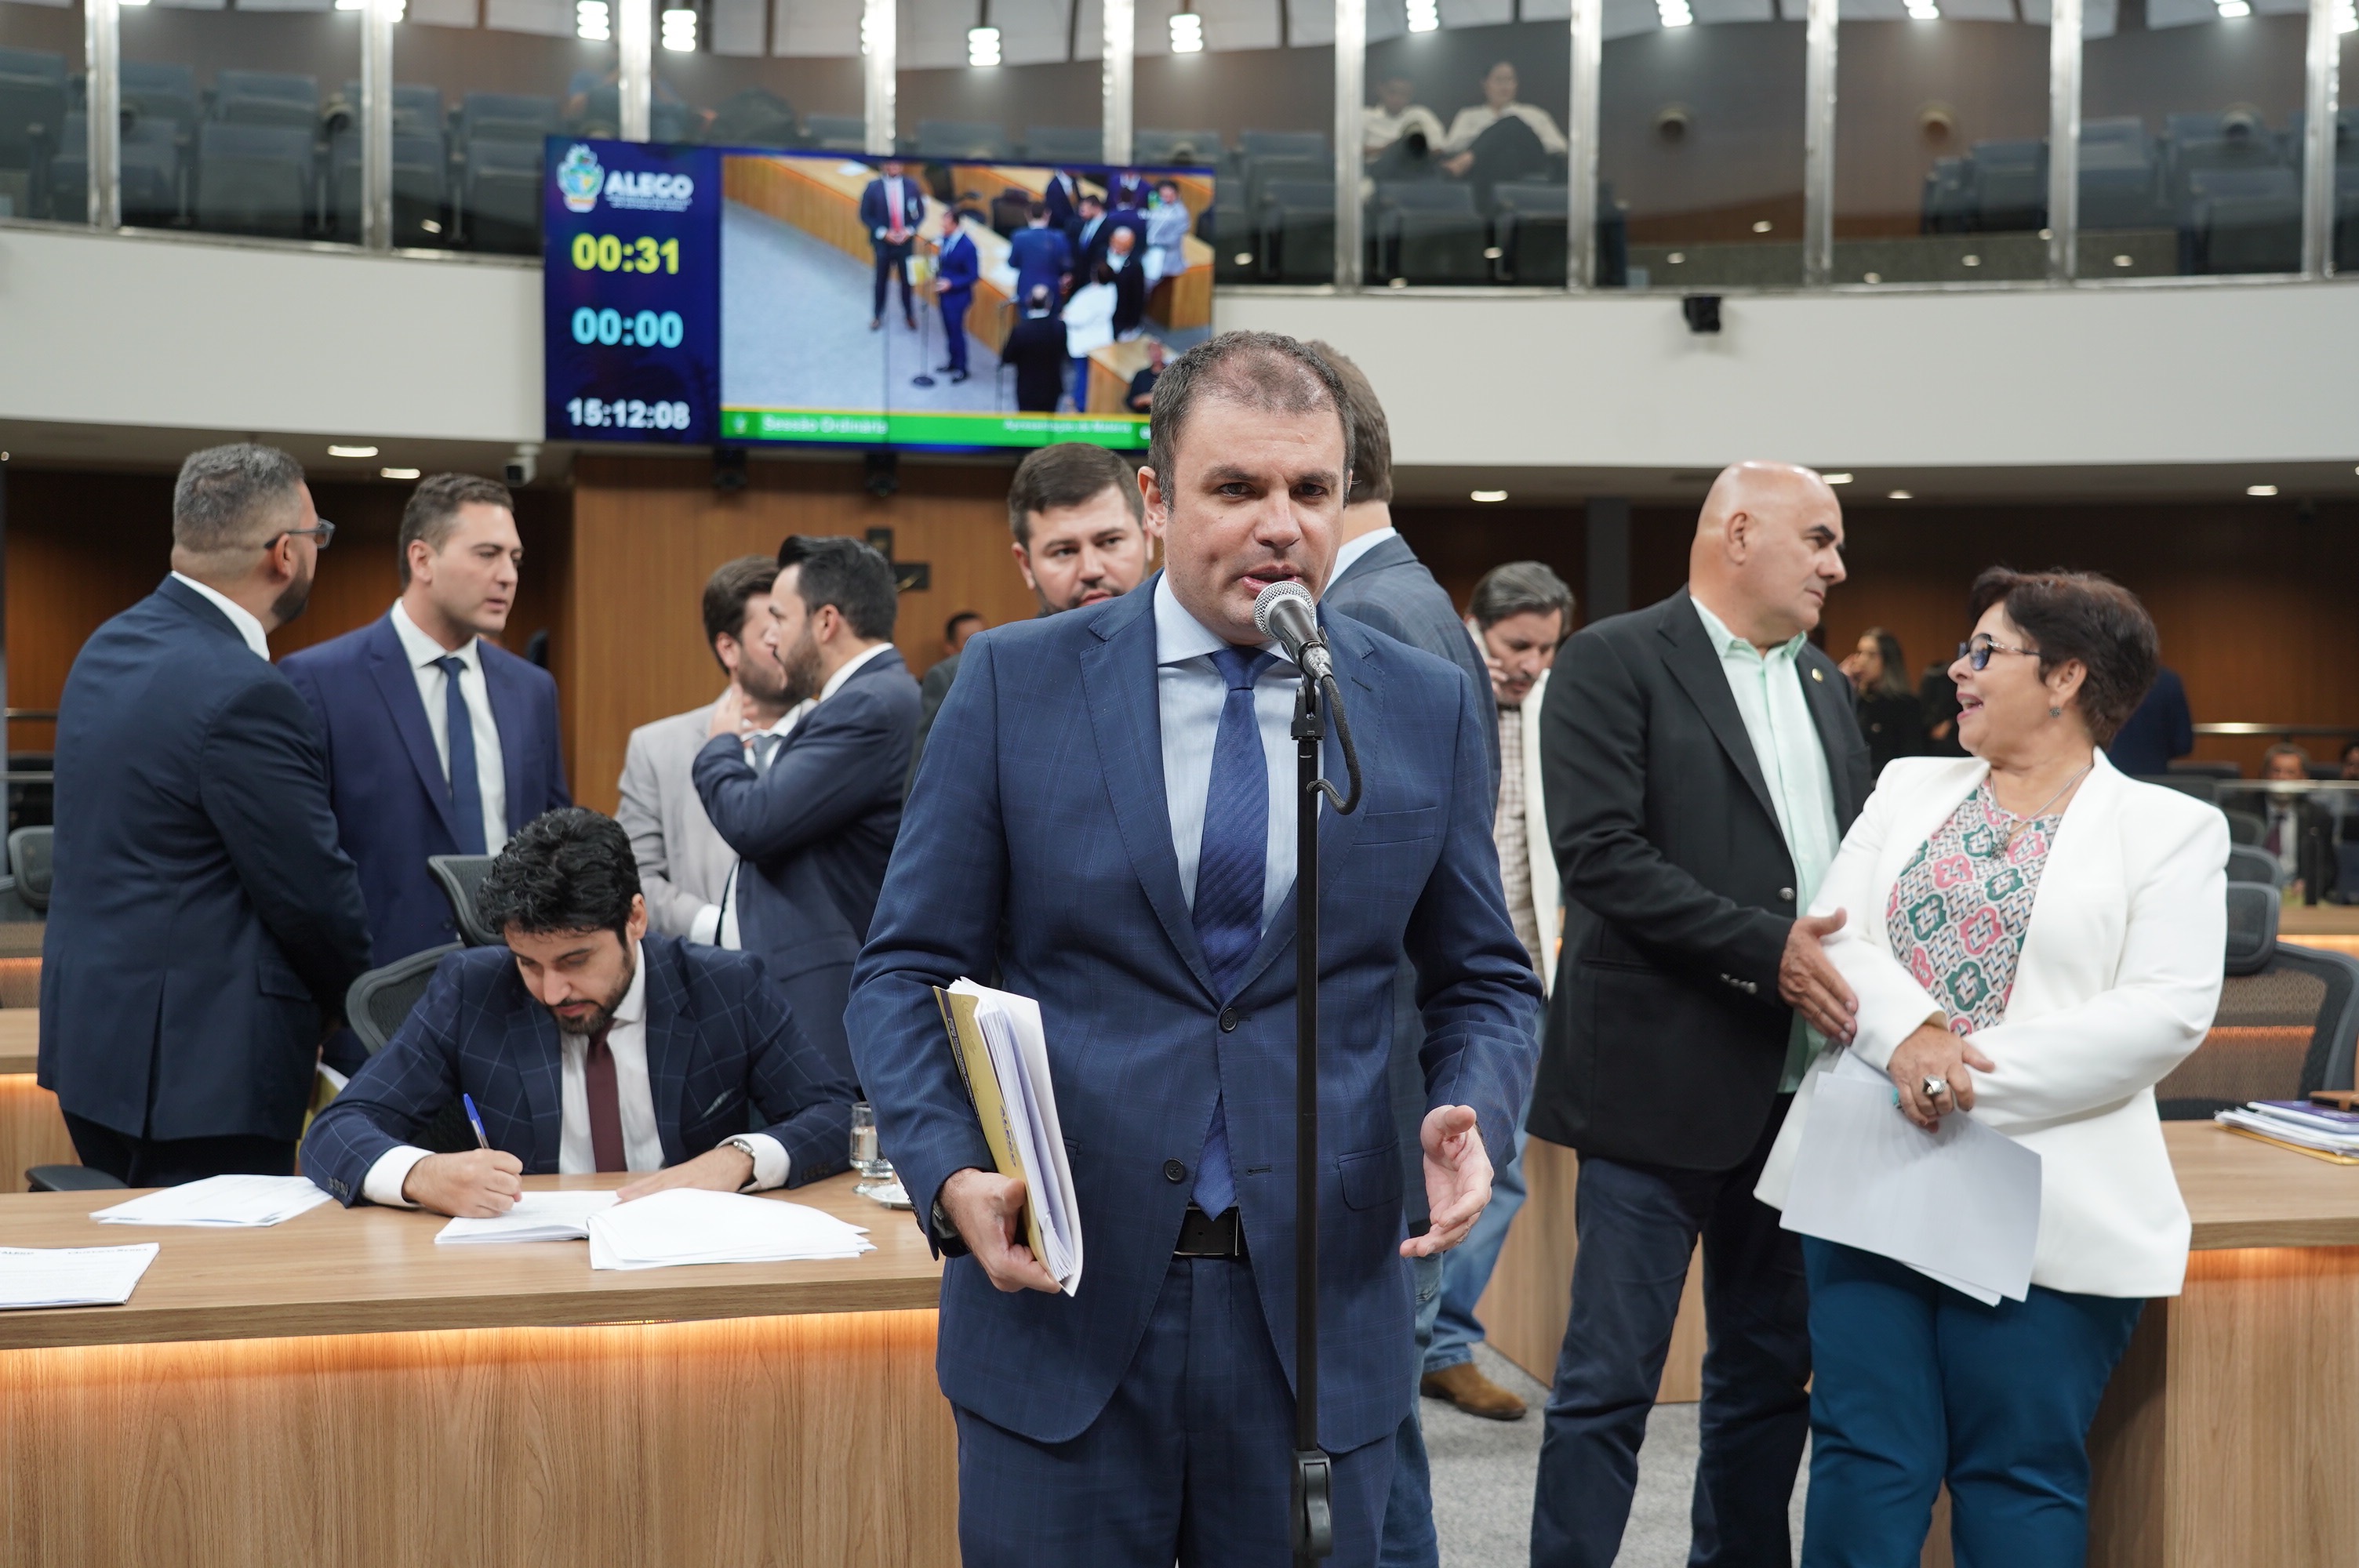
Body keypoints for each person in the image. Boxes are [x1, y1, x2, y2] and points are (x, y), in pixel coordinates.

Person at [846, 329, 1542, 1567]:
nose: (1282, 524)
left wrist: (1471, 1109)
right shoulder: (1011, 685)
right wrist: (950, 1171)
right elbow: (901, 972)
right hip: (1060, 1308)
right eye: (1237, 488)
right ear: (1157, 501)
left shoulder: (1419, 702)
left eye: (1311, 489)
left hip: (1317, 1320)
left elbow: (1486, 980)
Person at [1756, 568, 2226, 1567]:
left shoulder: (2168, 829)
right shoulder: (1905, 786)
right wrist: (1911, 1036)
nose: (1955, 671)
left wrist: (1955, 1070)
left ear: (2063, 676)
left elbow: (2163, 1009)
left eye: (1982, 651)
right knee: (1862, 1453)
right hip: (1869, 1167)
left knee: (2014, 1469)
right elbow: (1835, 938)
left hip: (2040, 1190)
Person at [1529, 460, 1871, 1568]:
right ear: (1737, 534)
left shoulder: (1822, 682)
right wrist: (1766, 950)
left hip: (1801, 1091)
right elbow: (1601, 857)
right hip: (1656, 1085)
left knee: (1767, 1377)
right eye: (1817, 539)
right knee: (1609, 1384)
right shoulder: (1612, 659)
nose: (1836, 566)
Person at [40, 443, 372, 1185]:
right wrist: (361, 1003)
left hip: (97, 1055)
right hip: (207, 1076)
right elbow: (312, 895)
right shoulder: (249, 691)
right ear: (285, 554)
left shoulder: (106, 646)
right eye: (317, 536)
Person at [1309, 341, 1500, 1568]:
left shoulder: (1370, 617)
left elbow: (1382, 903)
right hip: (1390, 1095)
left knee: (1367, 1470)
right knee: (1380, 1454)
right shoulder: (1410, 597)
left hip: (1374, 1103)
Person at [303, 808, 860, 1213]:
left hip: (689, 1265)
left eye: (575, 960)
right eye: (529, 963)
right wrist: (421, 1174)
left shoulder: (726, 987)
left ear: (635, 919)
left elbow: (837, 1117)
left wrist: (737, 1159)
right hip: (529, 1274)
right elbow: (337, 1129)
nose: (551, 991)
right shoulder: (473, 990)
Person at [282, 473, 570, 970]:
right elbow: (302, 863)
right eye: (487, 554)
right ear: (422, 560)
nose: (508, 575)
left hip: (516, 981)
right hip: (378, 986)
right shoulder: (320, 681)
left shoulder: (532, 690)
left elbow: (553, 841)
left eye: (515, 559)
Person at [1423, 560, 1574, 1425]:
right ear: (1476, 626)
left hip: (1520, 979)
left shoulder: (1556, 707)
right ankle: (1410, 1339)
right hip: (1434, 973)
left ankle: (1445, 1344)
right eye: (1519, 645)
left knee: (1499, 1171)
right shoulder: (1439, 690)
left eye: (1547, 648)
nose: (1531, 664)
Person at [694, 535, 919, 1069]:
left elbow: (755, 821)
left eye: (779, 617)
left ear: (825, 622)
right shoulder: (870, 697)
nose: (771, 637)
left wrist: (720, 747)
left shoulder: (868, 705)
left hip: (838, 1008)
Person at [909, 443, 1154, 784]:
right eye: (1064, 551)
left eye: (1110, 541)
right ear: (1026, 564)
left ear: (1148, 537)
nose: (1091, 569)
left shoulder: (1207, 658)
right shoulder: (966, 680)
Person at [616, 557, 791, 941]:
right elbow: (634, 874)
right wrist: (718, 927)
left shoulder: (842, 736)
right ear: (729, 649)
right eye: (771, 636)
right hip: (702, 957)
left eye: (793, 628)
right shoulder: (658, 748)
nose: (789, 647)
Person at [1438, 62, 1567, 181]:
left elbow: (1559, 146)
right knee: (1502, 154)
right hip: (1492, 165)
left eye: (1509, 80)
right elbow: (1451, 145)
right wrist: (1489, 138)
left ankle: (1463, 162)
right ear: (1485, 84)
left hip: (1528, 162)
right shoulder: (1468, 115)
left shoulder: (1534, 114)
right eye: (1499, 80)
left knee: (1513, 122)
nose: (1504, 86)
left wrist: (1519, 135)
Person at [1839, 626, 1928, 771]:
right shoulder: (1855, 701)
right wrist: (1841, 685)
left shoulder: (1906, 706)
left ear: (1888, 660)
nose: (1862, 661)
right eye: (1860, 653)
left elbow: (1911, 758)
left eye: (1872, 655)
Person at [860, 158, 925, 332]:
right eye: (890, 164)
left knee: (907, 282)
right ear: (884, 166)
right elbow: (865, 215)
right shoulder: (873, 187)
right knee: (881, 281)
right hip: (883, 244)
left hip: (905, 244)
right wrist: (884, 233)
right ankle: (877, 315)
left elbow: (920, 214)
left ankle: (909, 314)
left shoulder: (912, 186)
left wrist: (909, 231)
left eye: (897, 164)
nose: (894, 167)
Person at [2105, 663, 2194, 779]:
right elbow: (2183, 744)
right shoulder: (2169, 682)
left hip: (2107, 780)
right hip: (2155, 778)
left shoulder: (2099, 682)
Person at [932, 208, 983, 383]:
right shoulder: (946, 239)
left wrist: (951, 283)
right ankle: (952, 361)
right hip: (944, 295)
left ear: (955, 225)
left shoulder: (968, 247)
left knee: (956, 332)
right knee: (949, 330)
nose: (942, 228)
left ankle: (962, 368)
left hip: (958, 297)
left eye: (945, 225)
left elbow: (973, 275)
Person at [1003, 286, 1071, 413]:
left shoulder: (1021, 330)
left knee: (1027, 423)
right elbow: (1063, 352)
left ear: (1029, 302)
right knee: (1048, 423)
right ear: (1049, 304)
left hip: (1027, 389)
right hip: (1052, 388)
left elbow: (1007, 357)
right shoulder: (1060, 327)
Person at [1063, 263, 1118, 412]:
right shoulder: (1111, 289)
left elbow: (1079, 319)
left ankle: (1080, 404)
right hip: (1098, 338)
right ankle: (1077, 397)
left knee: (1083, 373)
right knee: (1084, 373)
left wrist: (1066, 316)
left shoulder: (1094, 297)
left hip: (1086, 341)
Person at [1008, 200, 1074, 310]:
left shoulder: (1019, 237)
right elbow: (1067, 266)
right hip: (1051, 292)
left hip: (1027, 291)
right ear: (1047, 214)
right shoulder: (1060, 238)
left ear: (1027, 214)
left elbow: (1012, 263)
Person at [1364, 76, 1447, 160]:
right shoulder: (1365, 116)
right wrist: (1388, 149)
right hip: (1376, 165)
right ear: (1381, 89)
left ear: (1411, 94)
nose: (1397, 99)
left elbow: (1438, 147)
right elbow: (1356, 151)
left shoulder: (1420, 115)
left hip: (1414, 164)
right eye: (1392, 92)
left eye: (1404, 94)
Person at [1143, 179, 1193, 286]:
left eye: (1170, 195)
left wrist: (1153, 240)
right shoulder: (1155, 206)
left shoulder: (1180, 214)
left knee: (1147, 282)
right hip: (1147, 250)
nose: (1167, 199)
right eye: (1164, 195)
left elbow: (1173, 240)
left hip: (1164, 254)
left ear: (1177, 195)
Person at [1105, 227, 1150, 339]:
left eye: (1123, 247)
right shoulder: (1102, 253)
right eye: (1116, 244)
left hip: (1120, 313)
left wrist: (1133, 322)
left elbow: (1137, 296)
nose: (1118, 249)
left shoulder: (1135, 266)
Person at [1127, 338, 1167, 413]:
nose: (1155, 353)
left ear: (1163, 350)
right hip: (1144, 417)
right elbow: (1130, 401)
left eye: (1157, 349)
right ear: (1148, 353)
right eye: (1152, 350)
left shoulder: (1172, 373)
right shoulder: (1141, 375)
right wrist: (1143, 399)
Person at [1041, 166, 1084, 232]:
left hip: (1073, 227)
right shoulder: (1053, 188)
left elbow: (1078, 202)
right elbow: (1058, 214)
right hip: (1059, 230)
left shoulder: (1073, 182)